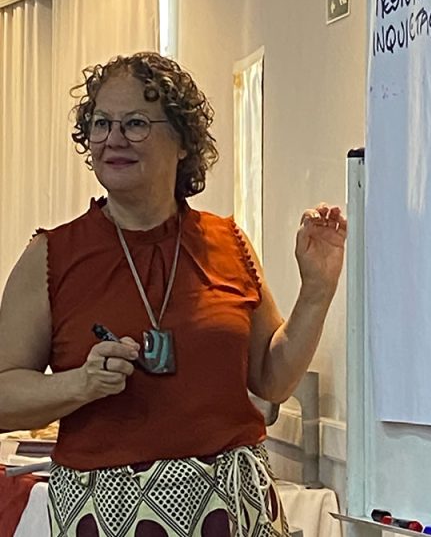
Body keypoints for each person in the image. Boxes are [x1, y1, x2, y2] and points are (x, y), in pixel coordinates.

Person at [0, 51, 347, 537]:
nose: (113, 139)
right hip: (106, 512)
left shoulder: (228, 242)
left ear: (183, 141)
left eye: (135, 123)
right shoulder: (51, 255)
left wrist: (316, 290)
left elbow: (272, 380)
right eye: (101, 124)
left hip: (235, 507)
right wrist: (81, 384)